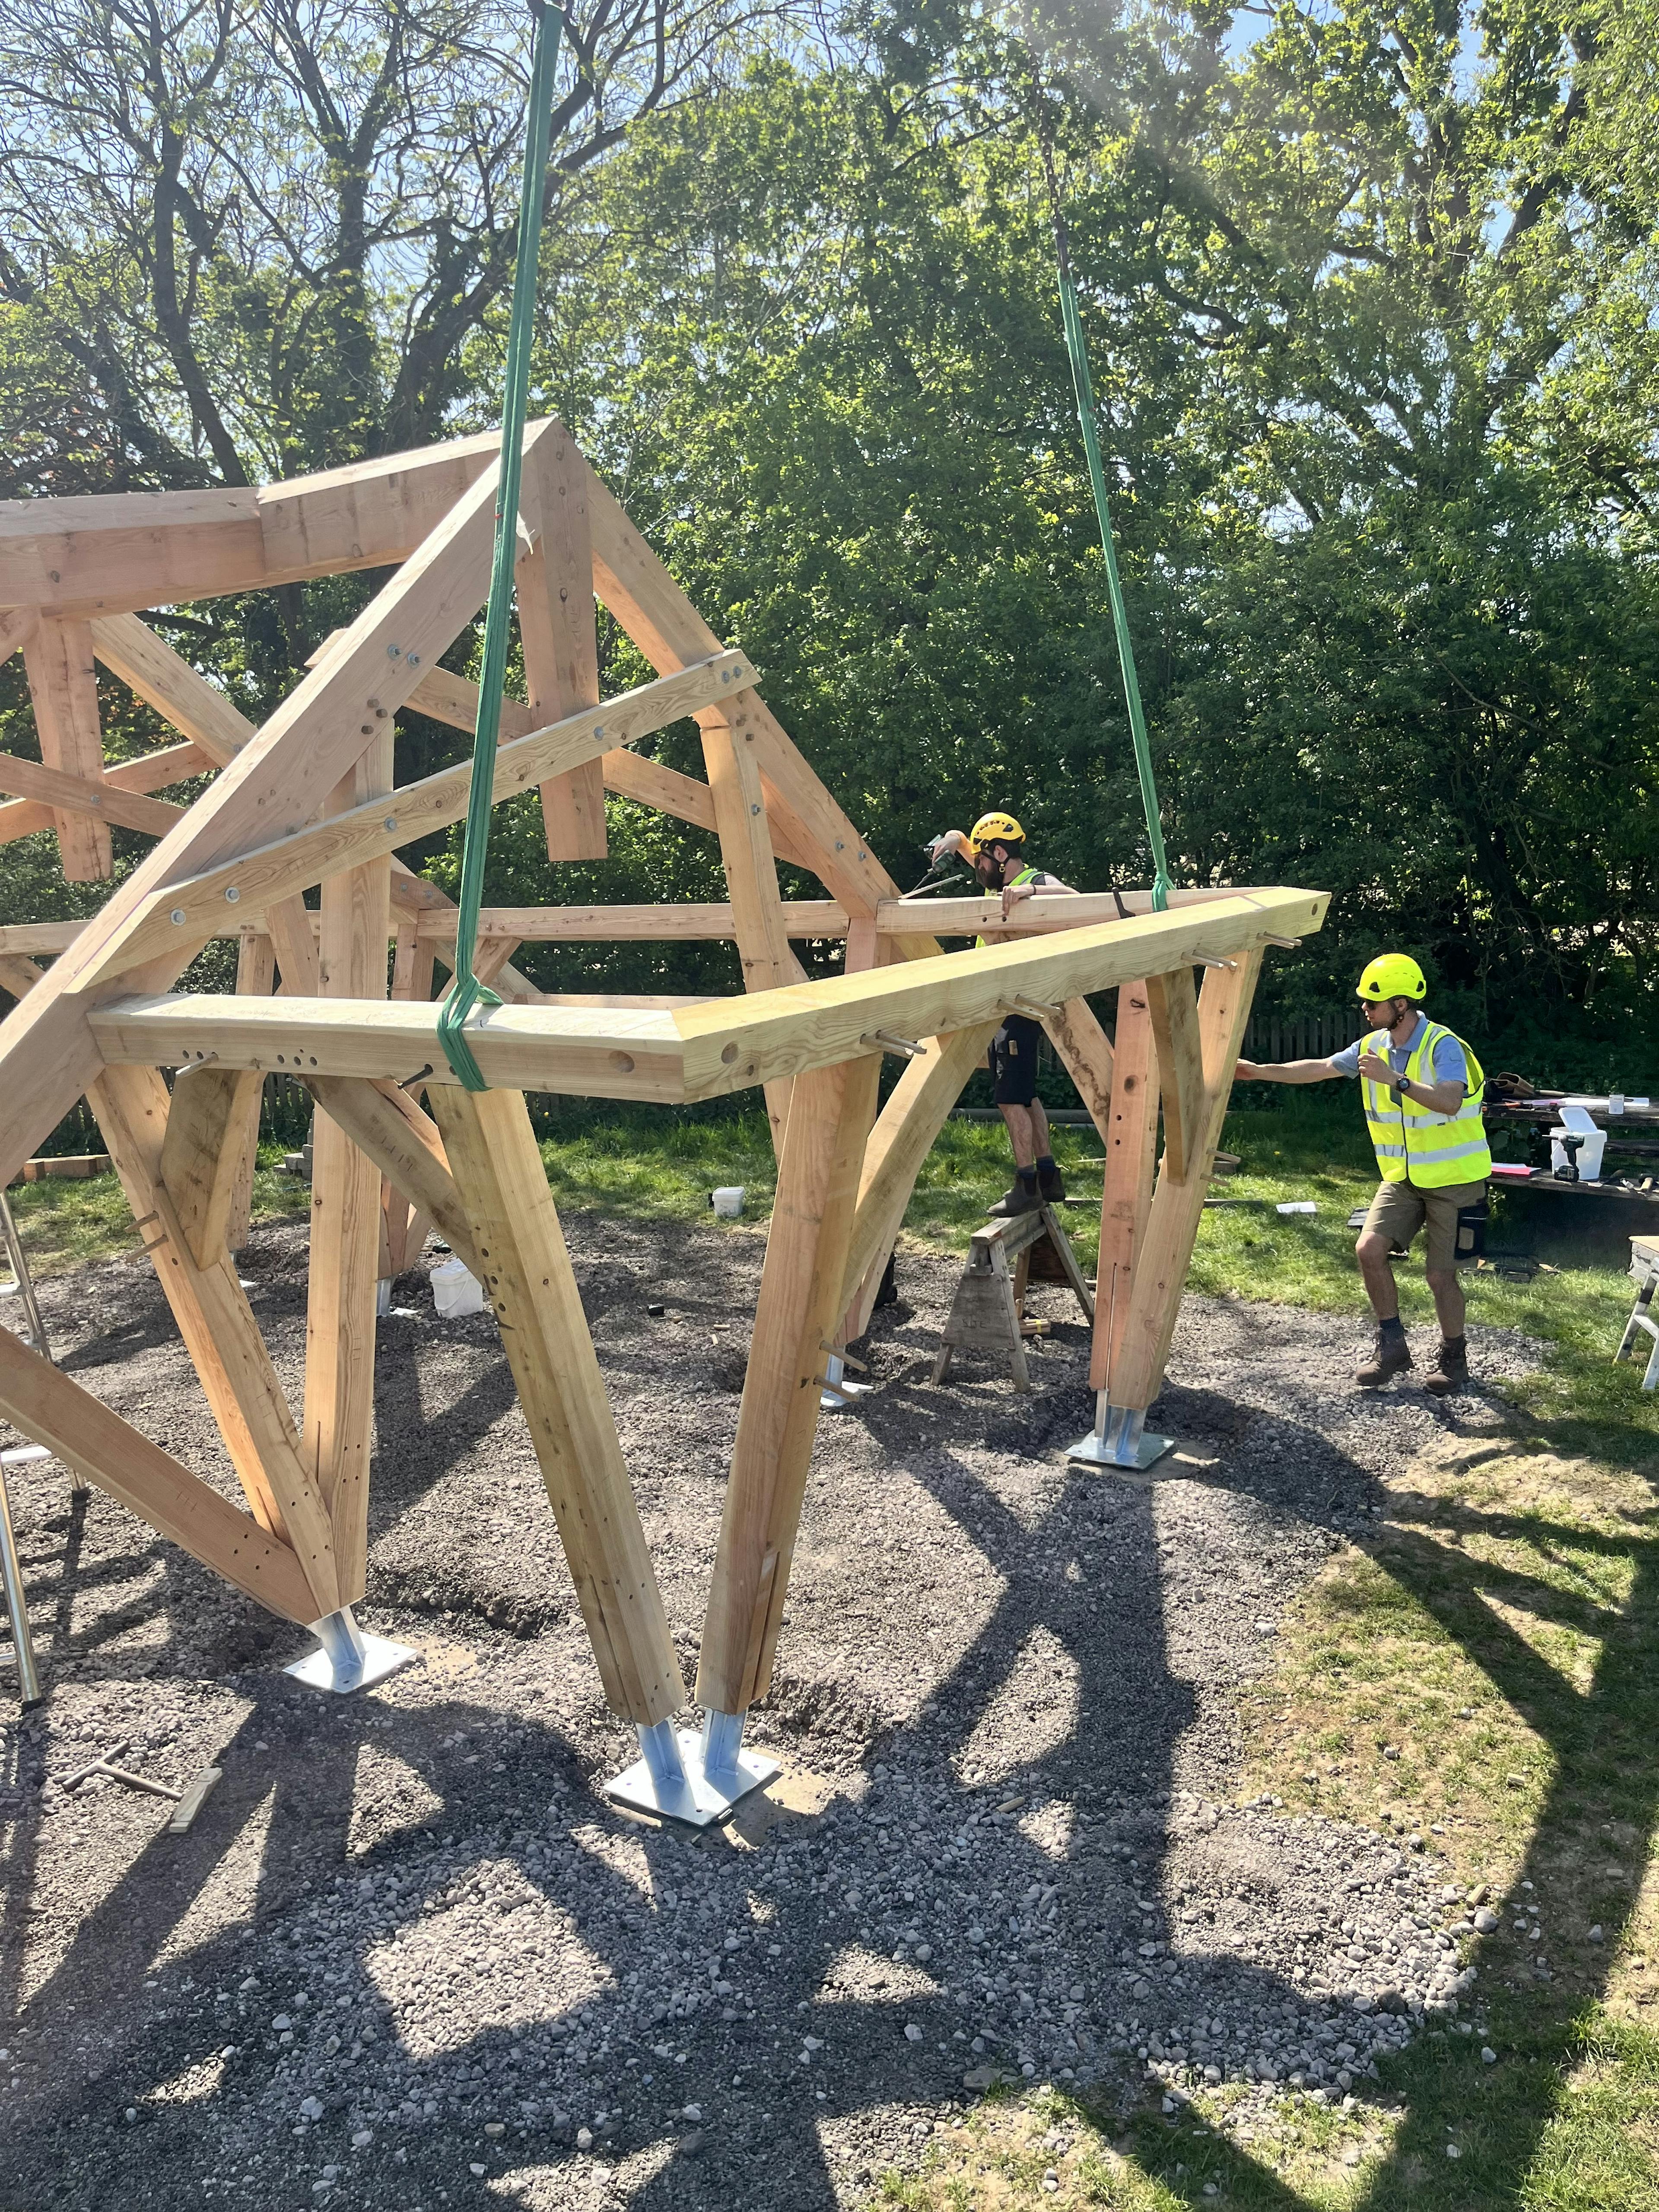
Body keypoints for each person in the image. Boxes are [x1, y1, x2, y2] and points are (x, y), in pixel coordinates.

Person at [1233, 953, 1491, 1395]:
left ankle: (1455, 1356)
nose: (1366, 1011)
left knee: (1439, 1276)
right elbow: (1319, 1067)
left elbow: (1450, 1101)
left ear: (1402, 1004)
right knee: (1369, 1248)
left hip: (1456, 1180)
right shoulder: (1373, 1045)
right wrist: (1259, 1072)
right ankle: (1392, 1346)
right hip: (1403, 1178)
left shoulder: (1444, 1046)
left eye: (1373, 1004)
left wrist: (1398, 1081)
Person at [928, 811, 1076, 1215]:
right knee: (1026, 1098)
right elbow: (971, 854)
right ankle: (1049, 1177)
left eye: (982, 860)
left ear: (999, 853)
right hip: (1011, 1008)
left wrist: (1031, 895)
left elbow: (1076, 900)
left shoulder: (1032, 883)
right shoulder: (1001, 890)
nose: (978, 869)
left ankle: (1026, 1185)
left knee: (1010, 1103)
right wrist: (956, 838)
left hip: (1013, 1007)